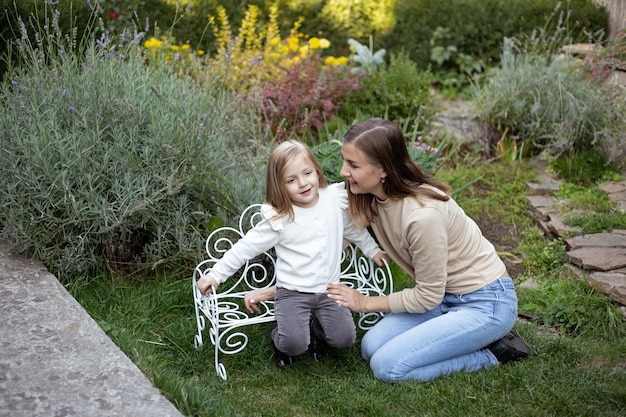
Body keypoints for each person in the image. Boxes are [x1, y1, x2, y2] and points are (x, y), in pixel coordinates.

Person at [321, 117, 531, 382]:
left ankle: (495, 351)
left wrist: (364, 303)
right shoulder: (371, 197)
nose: (342, 171)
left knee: (388, 367)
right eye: (344, 160)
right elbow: (335, 230)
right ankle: (460, 336)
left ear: (383, 169)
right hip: (445, 297)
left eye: (353, 165)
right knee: (370, 347)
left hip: (485, 303)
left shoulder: (422, 217)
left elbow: (427, 296)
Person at [197, 140, 387, 369]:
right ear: (280, 185)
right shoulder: (280, 217)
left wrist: (373, 251)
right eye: (291, 180)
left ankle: (317, 331)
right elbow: (245, 247)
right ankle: (281, 342)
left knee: (344, 338)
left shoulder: (332, 200)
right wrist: (216, 274)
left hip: (330, 289)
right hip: (292, 292)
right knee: (295, 344)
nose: (303, 183)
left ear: (317, 170)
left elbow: (351, 230)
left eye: (307, 173)